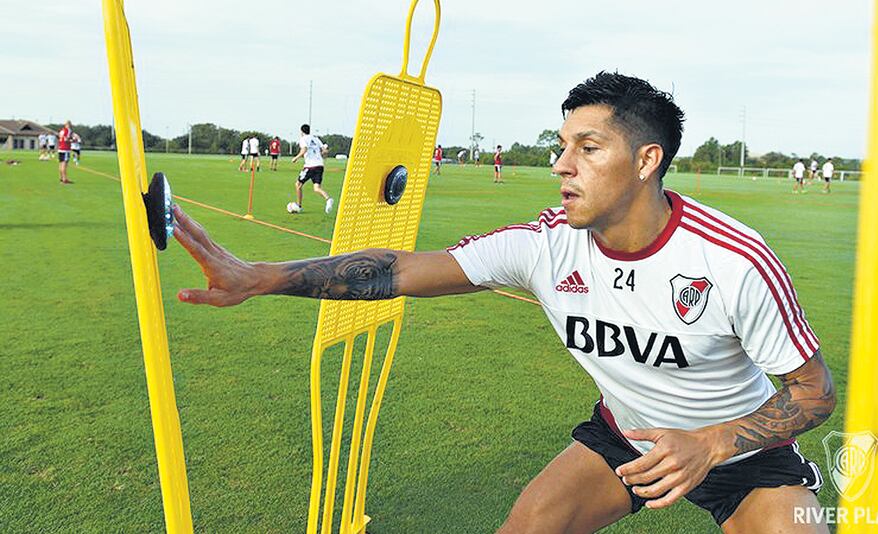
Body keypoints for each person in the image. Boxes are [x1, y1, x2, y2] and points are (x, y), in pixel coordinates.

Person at [172, 73, 833, 534]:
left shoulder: (731, 259)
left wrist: (711, 444)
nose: (561, 164)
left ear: (645, 160)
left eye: (588, 148)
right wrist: (260, 277)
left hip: (742, 452)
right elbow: (397, 270)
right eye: (562, 144)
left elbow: (813, 393)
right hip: (625, 435)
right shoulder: (544, 246)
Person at [290, 123, 333, 214]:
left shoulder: (303, 139)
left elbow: (304, 149)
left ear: (301, 131)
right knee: (316, 188)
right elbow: (324, 151)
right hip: (320, 166)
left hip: (310, 166)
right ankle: (328, 199)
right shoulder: (316, 138)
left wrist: (296, 158)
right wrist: (322, 155)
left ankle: (299, 206)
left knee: (298, 185)